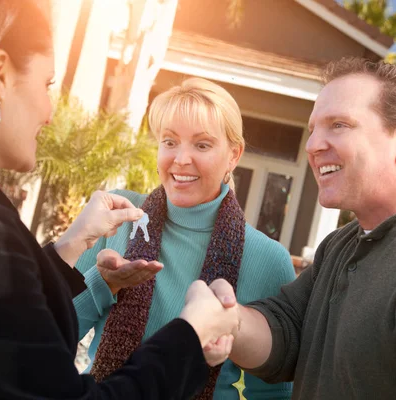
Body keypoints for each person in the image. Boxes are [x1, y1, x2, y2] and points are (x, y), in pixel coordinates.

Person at [0, 1, 240, 399]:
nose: (50, 112)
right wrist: (190, 339)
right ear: (0, 74)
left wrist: (71, 246)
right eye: (48, 84)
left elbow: (12, 345)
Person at [205, 57, 396, 399]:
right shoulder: (340, 245)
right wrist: (227, 320)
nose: (312, 146)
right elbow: (285, 333)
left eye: (339, 124)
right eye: (313, 130)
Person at [72, 77, 296, 399]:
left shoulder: (267, 259)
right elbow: (52, 334)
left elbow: (272, 394)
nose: (180, 159)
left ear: (234, 155)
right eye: (170, 141)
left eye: (202, 145)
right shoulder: (117, 215)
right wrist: (103, 283)